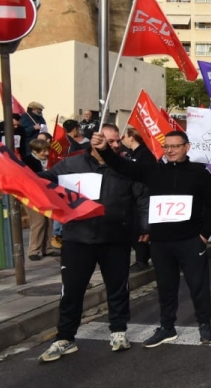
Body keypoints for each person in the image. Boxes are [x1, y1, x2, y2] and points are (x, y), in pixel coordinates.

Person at [98, 129, 211, 347]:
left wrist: (204, 234)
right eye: (167, 146)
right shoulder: (154, 171)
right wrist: (105, 150)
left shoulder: (199, 173)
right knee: (165, 287)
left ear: (187, 147)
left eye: (175, 146)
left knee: (198, 285)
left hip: (191, 240)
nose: (171, 150)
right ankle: (167, 327)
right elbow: (123, 166)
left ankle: (204, 324)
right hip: (162, 242)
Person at [37, 125, 148, 362]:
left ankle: (118, 331)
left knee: (118, 288)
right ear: (96, 141)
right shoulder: (70, 164)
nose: (116, 145)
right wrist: (20, 175)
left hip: (116, 238)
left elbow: (142, 198)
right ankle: (65, 338)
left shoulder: (126, 167)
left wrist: (144, 226)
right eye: (110, 141)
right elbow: (44, 180)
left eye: (118, 141)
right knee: (72, 291)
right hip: (78, 239)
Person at [121, 129, 156, 269]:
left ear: (131, 138)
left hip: (143, 195)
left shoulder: (145, 153)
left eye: (125, 136)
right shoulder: (129, 154)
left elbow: (147, 173)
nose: (122, 140)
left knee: (142, 229)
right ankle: (143, 256)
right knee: (134, 228)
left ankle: (142, 260)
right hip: (131, 196)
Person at [22, 139, 58, 261]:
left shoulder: (50, 161)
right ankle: (34, 250)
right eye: (43, 151)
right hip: (32, 195)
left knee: (48, 221)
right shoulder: (27, 161)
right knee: (38, 222)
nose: (46, 153)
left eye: (47, 150)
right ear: (34, 151)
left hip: (48, 194)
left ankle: (47, 248)